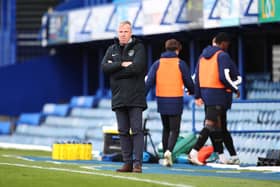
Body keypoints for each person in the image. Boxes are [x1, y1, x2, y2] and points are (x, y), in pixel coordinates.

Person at [188, 32, 242, 165]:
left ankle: (228, 156)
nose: (227, 46)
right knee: (210, 125)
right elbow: (224, 77)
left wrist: (198, 95)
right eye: (227, 44)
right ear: (223, 43)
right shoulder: (222, 55)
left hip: (207, 95)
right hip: (219, 96)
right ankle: (194, 152)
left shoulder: (202, 57)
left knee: (221, 128)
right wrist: (235, 89)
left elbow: (197, 78)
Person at [101, 21, 147, 173]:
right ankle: (127, 163)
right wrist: (122, 64)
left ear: (131, 33)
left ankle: (137, 163)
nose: (123, 34)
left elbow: (137, 67)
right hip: (118, 96)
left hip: (135, 96)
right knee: (122, 131)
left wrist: (116, 71)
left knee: (137, 130)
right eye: (120, 31)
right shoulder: (111, 49)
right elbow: (104, 68)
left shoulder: (139, 47)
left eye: (126, 31)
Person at [145, 39, 194, 167]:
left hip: (161, 99)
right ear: (177, 50)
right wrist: (193, 91)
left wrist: (141, 96)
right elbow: (188, 81)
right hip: (175, 99)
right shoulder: (180, 63)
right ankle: (168, 152)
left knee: (166, 129)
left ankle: (165, 156)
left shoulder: (157, 63)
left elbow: (149, 81)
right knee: (175, 129)